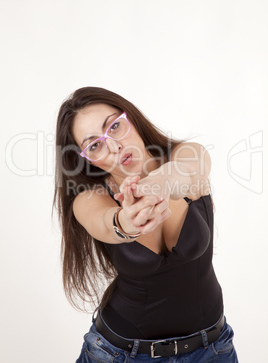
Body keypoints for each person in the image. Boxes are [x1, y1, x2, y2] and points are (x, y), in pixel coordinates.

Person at [53, 87, 238, 362]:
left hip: (212, 349)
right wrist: (126, 222)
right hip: (120, 352)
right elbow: (105, 222)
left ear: (132, 118)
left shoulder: (187, 153)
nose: (114, 145)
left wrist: (154, 185)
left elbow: (187, 170)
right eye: (95, 145)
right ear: (86, 159)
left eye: (115, 126)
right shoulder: (89, 199)